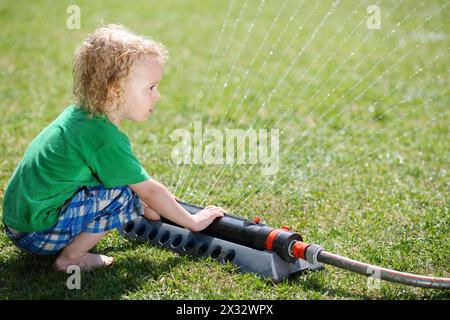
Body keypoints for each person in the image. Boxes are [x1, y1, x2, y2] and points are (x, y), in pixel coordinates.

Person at [2, 24, 225, 272]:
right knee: (121, 191)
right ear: (114, 89)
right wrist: (193, 221)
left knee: (124, 181)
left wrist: (149, 204)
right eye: (151, 87)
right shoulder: (103, 138)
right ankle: (71, 258)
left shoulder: (81, 116)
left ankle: (77, 239)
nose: (158, 96)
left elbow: (132, 178)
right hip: (37, 232)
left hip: (18, 222)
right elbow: (148, 190)